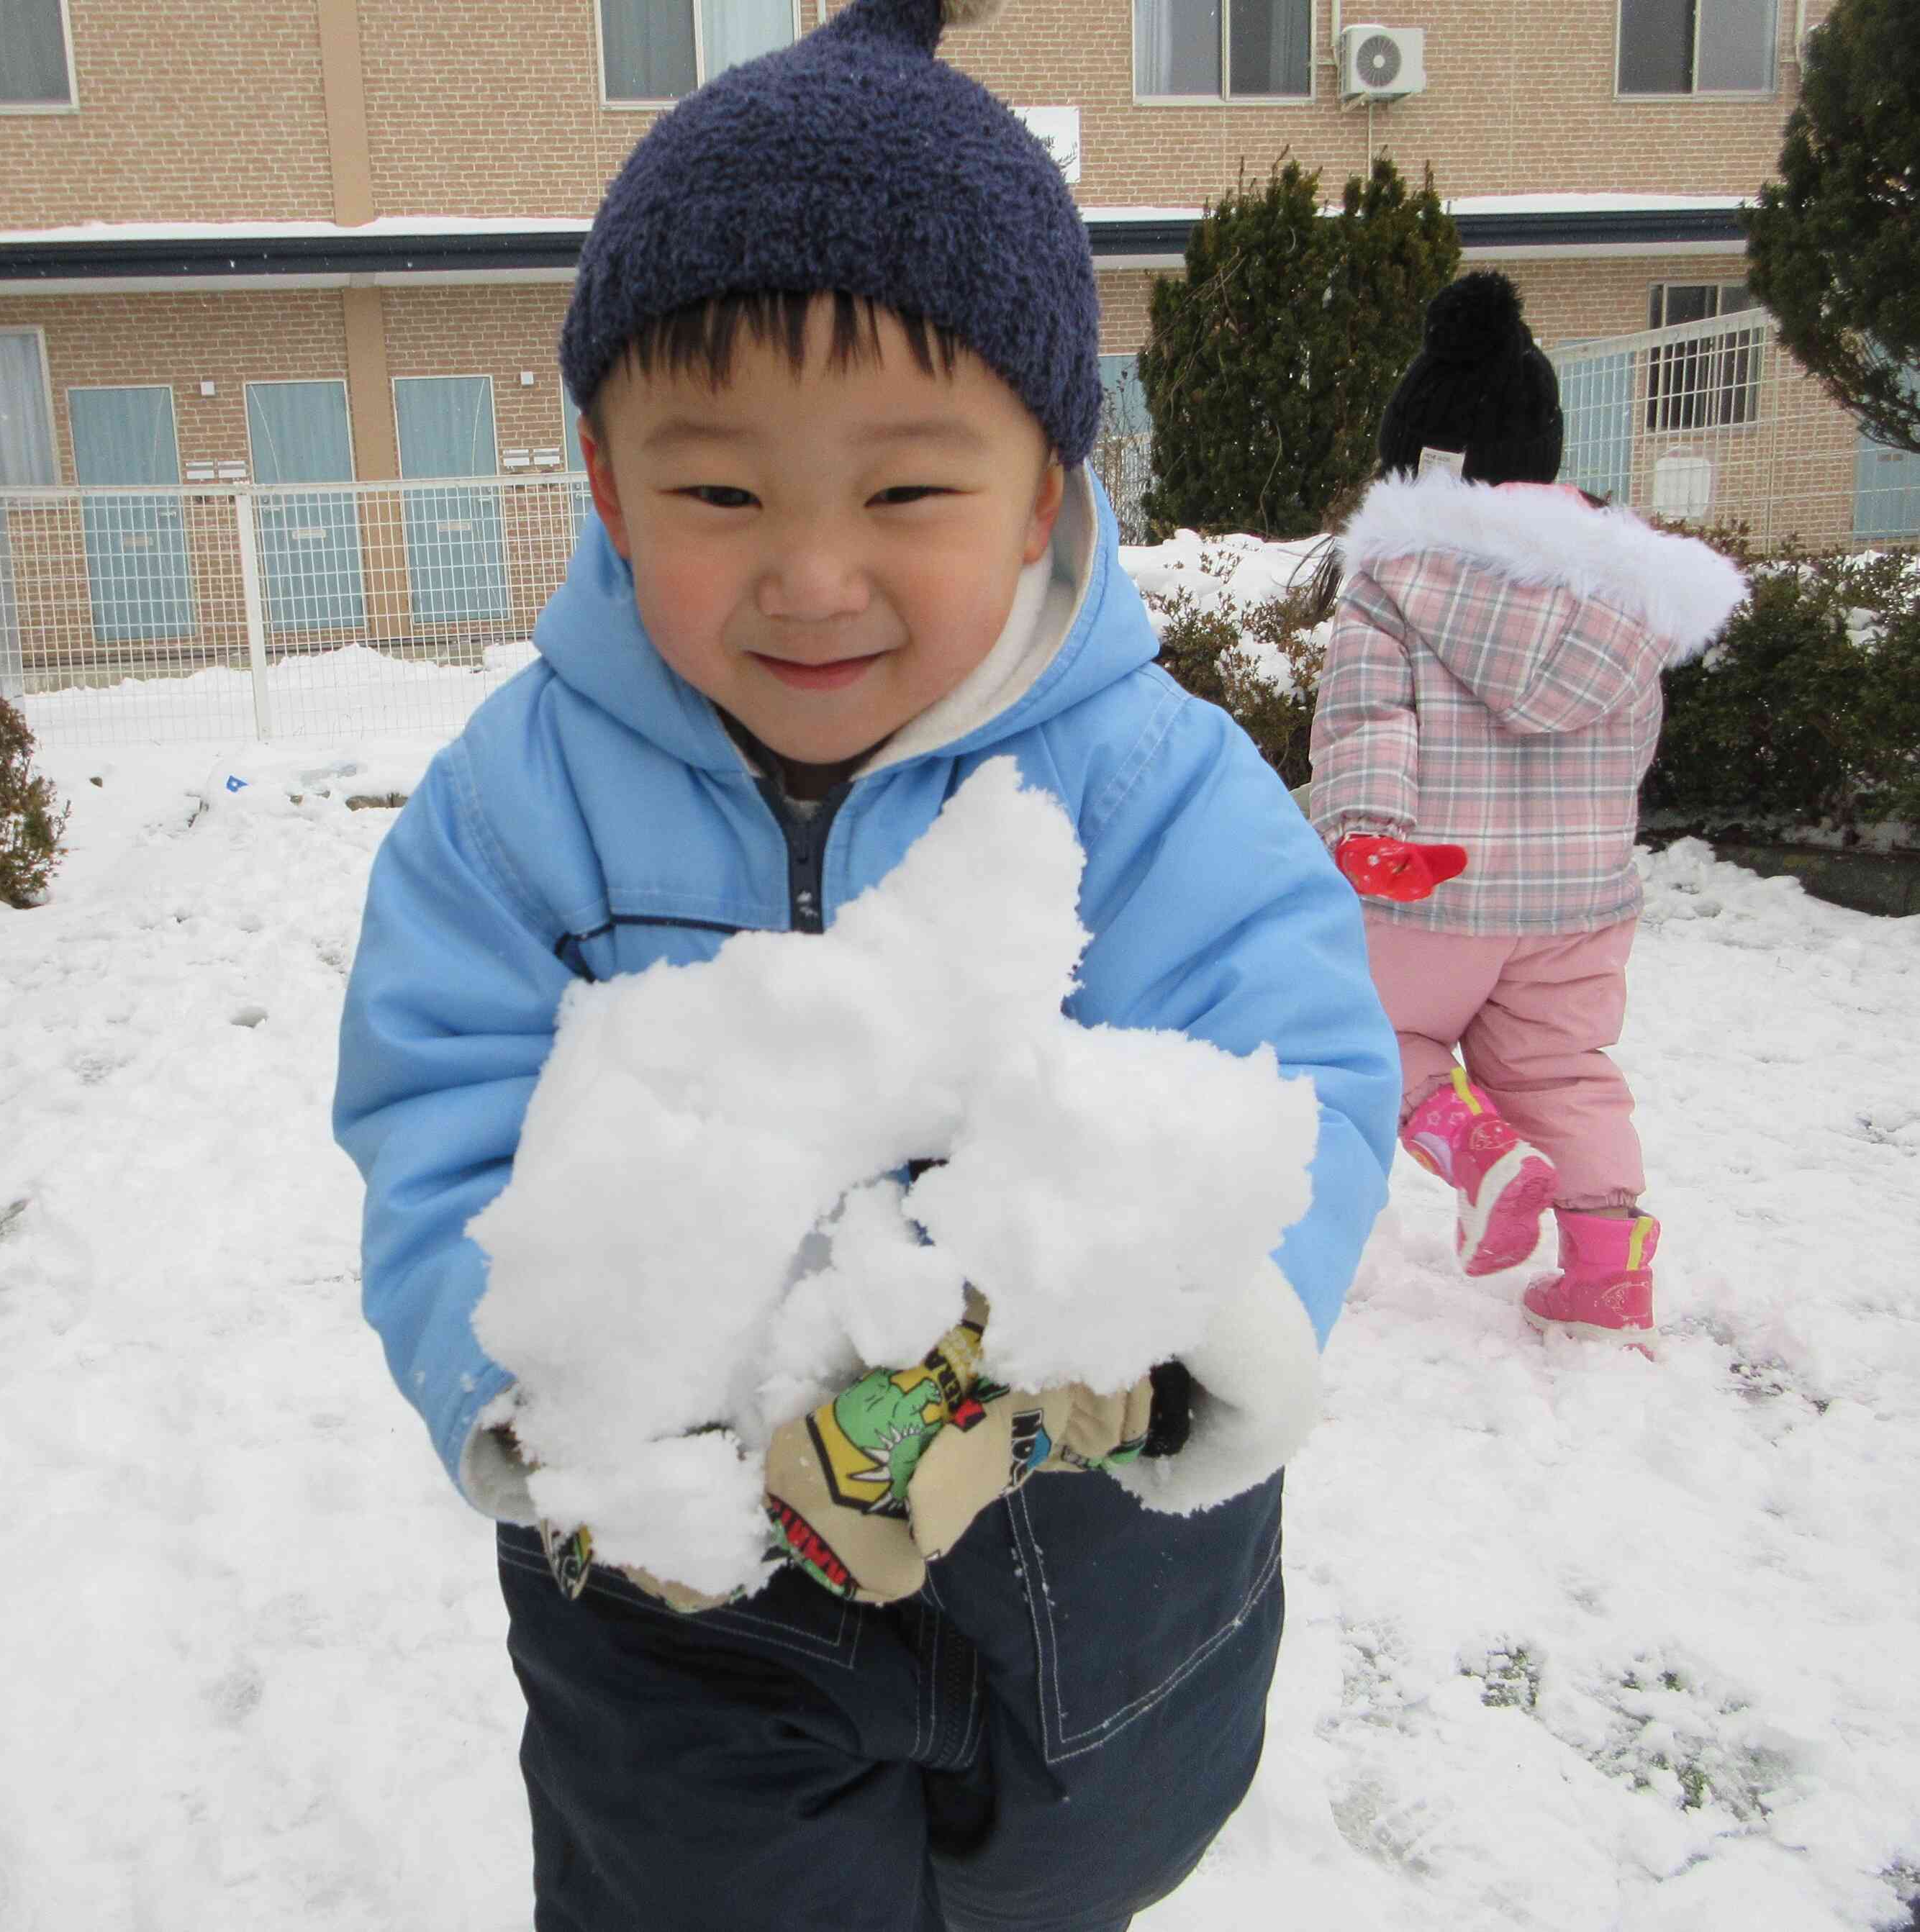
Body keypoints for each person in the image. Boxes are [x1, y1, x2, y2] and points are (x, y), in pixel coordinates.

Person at [333, 2, 1400, 1925]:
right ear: (602, 483)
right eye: (719, 491)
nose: (808, 575)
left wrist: (1155, 1332)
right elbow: (439, 1104)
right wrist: (536, 1378)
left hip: (1088, 1564)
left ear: (1048, 488)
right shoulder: (523, 803)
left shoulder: (1148, 784)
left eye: (904, 492)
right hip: (689, 1590)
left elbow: (1293, 1071)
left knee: (1072, 1875)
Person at [1309, 270, 1745, 1353]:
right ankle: (1605, 1272)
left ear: (1421, 459)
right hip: (1576, 902)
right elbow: (1629, 748)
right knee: (1563, 1070)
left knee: (1369, 1028)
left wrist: (1366, 833)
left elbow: (1370, 718)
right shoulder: (1625, 599)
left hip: (1428, 888)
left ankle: (1474, 1150)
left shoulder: (1395, 577)